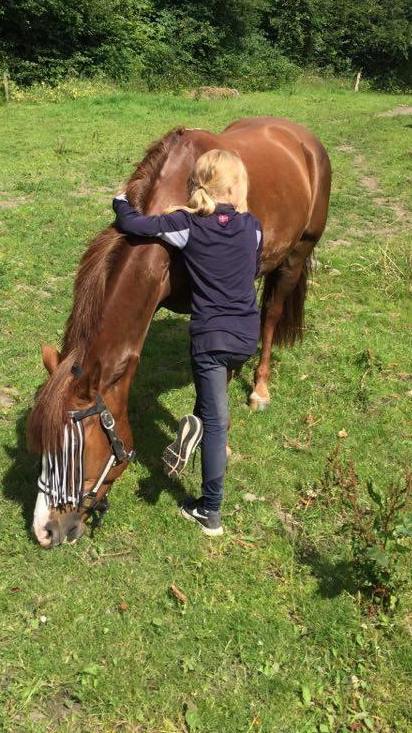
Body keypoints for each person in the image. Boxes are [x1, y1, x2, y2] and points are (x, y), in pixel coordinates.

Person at [112, 149, 262, 536]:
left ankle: (209, 510)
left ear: (197, 185)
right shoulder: (254, 226)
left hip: (210, 338)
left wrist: (119, 201)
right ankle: (193, 422)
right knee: (212, 405)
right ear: (236, 186)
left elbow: (136, 225)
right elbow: (253, 262)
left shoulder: (187, 224)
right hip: (248, 335)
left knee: (216, 423)